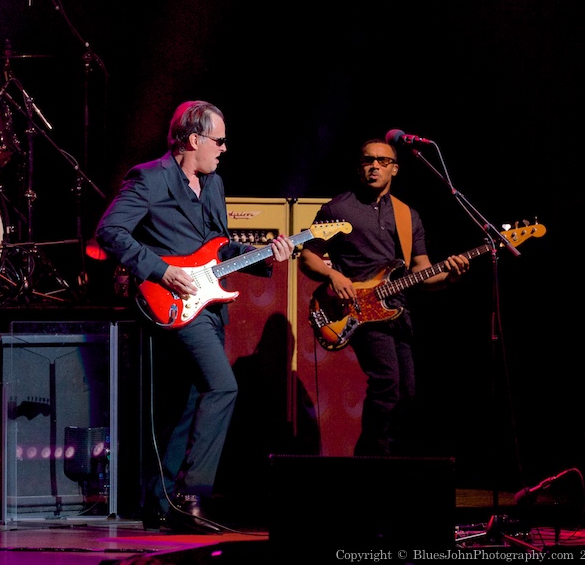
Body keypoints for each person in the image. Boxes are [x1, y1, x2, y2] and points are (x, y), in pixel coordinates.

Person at [95, 100, 294, 533]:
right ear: (193, 139)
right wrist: (160, 270)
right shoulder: (149, 177)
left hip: (207, 305)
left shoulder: (214, 183)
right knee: (223, 387)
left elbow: (219, 247)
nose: (224, 149)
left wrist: (265, 255)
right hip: (168, 299)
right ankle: (192, 494)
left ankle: (161, 502)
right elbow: (109, 231)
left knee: (189, 404)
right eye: (218, 141)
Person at [297, 138, 470, 457]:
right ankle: (372, 462)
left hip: (396, 311)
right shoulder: (338, 209)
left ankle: (381, 458)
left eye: (382, 161)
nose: (374, 166)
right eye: (367, 160)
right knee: (387, 383)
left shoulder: (407, 215)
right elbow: (308, 257)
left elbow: (422, 271)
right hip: (357, 309)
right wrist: (334, 275)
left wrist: (450, 275)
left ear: (395, 169)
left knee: (406, 393)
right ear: (359, 167)